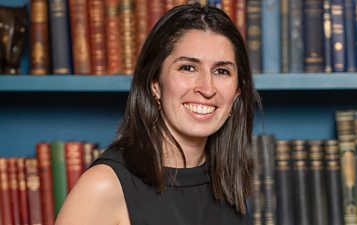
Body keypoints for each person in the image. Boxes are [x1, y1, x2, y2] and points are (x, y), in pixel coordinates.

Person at [55, 3, 260, 225]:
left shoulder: (228, 182)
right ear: (155, 84)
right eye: (188, 68)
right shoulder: (104, 186)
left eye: (222, 71)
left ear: (237, 91)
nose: (207, 89)